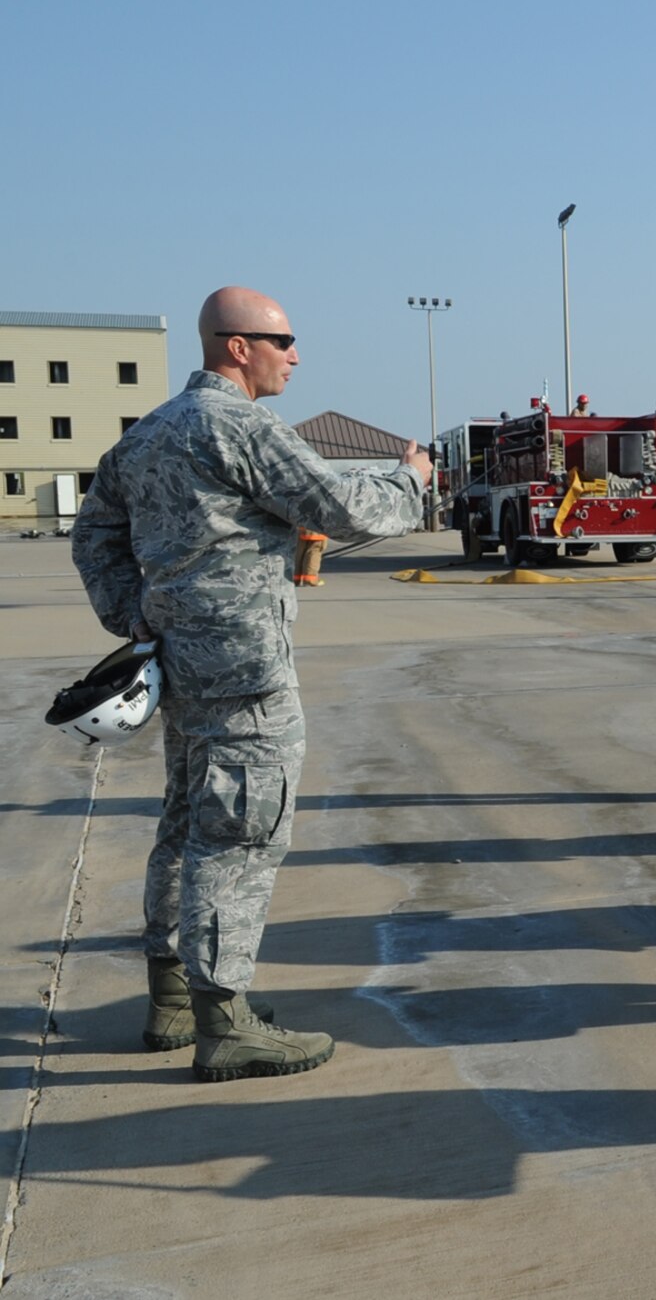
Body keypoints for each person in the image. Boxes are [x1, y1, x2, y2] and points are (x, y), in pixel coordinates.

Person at [70, 287, 431, 1080]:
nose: (294, 355)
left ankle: (174, 996)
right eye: (283, 340)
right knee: (240, 833)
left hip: (182, 668)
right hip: (245, 672)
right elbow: (343, 506)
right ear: (238, 347)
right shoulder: (240, 426)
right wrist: (409, 479)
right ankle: (224, 1019)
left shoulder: (149, 433)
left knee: (186, 823)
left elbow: (93, 532)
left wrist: (137, 614)